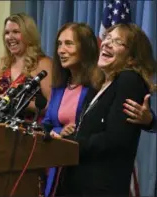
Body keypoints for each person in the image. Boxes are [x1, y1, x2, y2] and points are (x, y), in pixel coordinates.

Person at [53, 23, 156, 196]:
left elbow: (114, 138)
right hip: (77, 183)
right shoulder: (98, 85)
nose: (107, 43)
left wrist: (70, 145)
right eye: (107, 38)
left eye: (117, 42)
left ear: (131, 58)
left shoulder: (129, 80)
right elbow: (88, 132)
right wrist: (65, 137)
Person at [41, 22, 100, 197]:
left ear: (85, 48)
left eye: (68, 43)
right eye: (59, 44)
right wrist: (58, 132)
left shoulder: (97, 87)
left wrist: (69, 134)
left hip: (87, 172)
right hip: (59, 170)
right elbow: (47, 124)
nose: (61, 50)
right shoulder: (60, 87)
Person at [0, 13, 52, 118]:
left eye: (16, 32)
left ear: (29, 35)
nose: (10, 37)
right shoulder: (3, 65)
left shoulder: (43, 63)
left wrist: (16, 101)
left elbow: (52, 107)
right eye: (7, 33)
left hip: (28, 130)